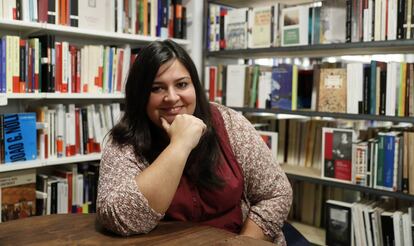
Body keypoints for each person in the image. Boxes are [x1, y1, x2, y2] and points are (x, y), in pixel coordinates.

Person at [96, 40, 292, 245]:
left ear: (194, 86)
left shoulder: (229, 122)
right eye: (156, 88)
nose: (171, 98)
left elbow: (276, 194)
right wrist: (179, 144)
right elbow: (119, 218)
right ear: (140, 94)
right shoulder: (124, 140)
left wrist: (243, 243)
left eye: (181, 84)